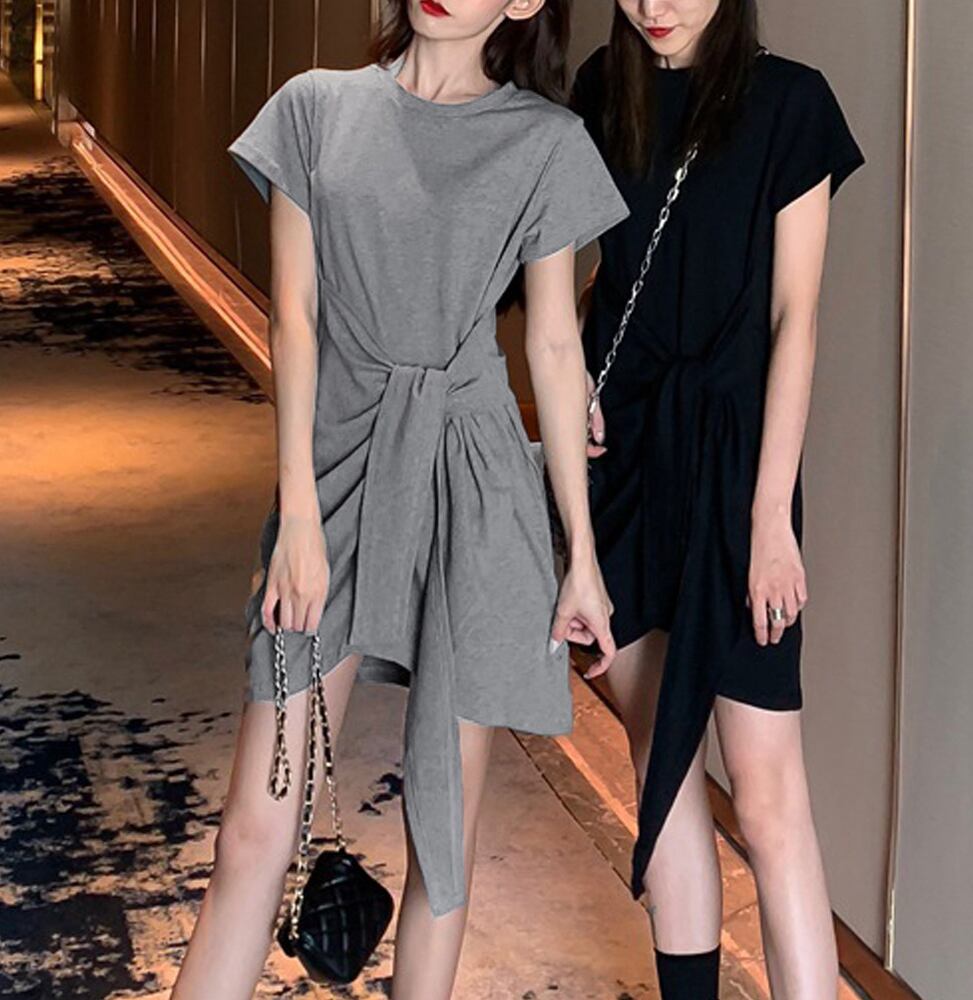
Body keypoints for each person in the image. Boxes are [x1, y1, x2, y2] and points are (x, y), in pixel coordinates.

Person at [169, 1, 628, 998]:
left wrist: (581, 559)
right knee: (252, 830)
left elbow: (555, 346)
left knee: (442, 838)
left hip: (475, 484)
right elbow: (295, 320)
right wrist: (298, 517)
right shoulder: (315, 108)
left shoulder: (546, 141)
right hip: (338, 469)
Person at [571, 2, 864, 997]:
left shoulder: (791, 105)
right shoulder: (601, 93)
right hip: (628, 461)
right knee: (660, 760)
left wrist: (770, 518)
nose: (654, 7)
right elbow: (600, 279)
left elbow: (794, 320)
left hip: (740, 472)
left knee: (768, 787)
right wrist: (573, 385)